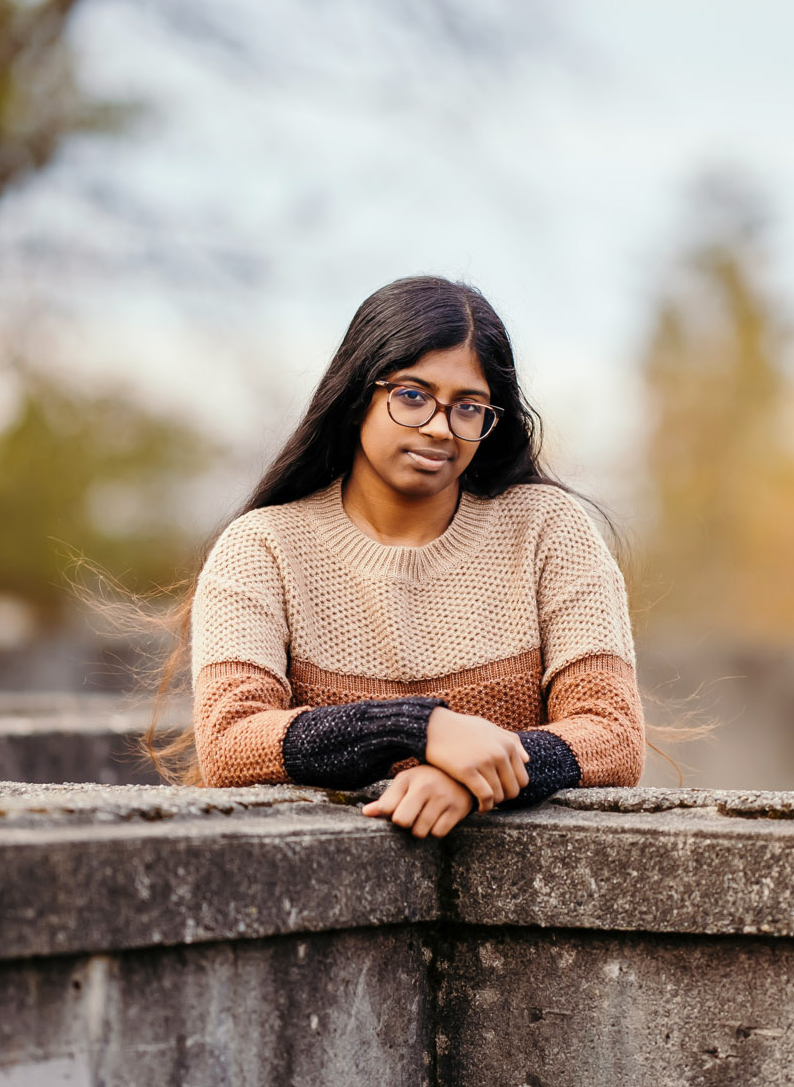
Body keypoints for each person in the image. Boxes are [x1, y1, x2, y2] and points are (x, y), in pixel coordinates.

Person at [180, 275, 644, 835]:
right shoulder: (262, 548)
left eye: (468, 406)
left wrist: (472, 779)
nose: (438, 429)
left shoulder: (549, 530)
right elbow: (230, 742)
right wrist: (416, 729)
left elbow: (613, 734)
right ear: (358, 396)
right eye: (412, 396)